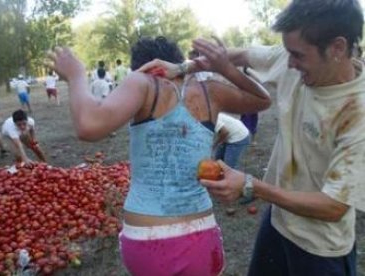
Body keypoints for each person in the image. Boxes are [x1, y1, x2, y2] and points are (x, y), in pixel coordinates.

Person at [166, 1, 362, 275]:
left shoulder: (357, 113)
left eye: (298, 55)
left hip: (320, 247)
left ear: (337, 48)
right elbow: (244, 55)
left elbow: (334, 207)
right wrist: (183, 68)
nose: (289, 63)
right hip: (279, 222)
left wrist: (251, 185)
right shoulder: (291, 58)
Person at [48, 36, 271, 275]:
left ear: (144, 67)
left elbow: (88, 125)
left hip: (145, 239)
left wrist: (76, 75)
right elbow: (263, 99)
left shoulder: (141, 82)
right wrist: (223, 67)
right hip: (200, 234)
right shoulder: (210, 91)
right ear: (177, 62)